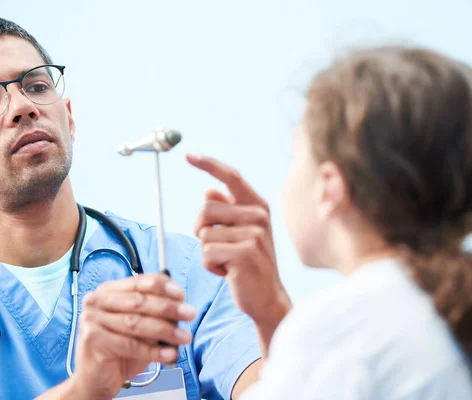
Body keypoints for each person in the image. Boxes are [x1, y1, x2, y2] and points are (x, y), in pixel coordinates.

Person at [0, 15, 262, 400]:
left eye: (37, 85)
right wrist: (86, 390)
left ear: (69, 118)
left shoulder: (187, 269)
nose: (22, 107)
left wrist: (273, 309)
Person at [187, 46, 472, 398]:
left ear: (330, 187)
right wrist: (268, 312)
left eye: (295, 156)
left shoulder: (344, 327)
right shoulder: (440, 308)